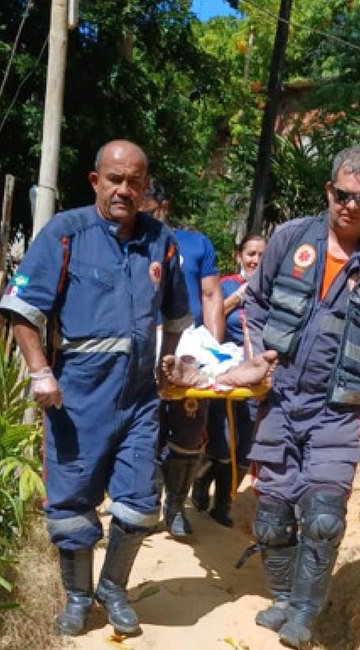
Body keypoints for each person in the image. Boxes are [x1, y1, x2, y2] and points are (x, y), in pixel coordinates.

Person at [0, 140, 191, 637]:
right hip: (78, 398)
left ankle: (113, 588)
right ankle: (79, 598)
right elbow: (21, 310)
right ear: (96, 181)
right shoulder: (66, 234)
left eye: (135, 181)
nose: (124, 189)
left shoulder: (161, 241)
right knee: (72, 505)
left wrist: (168, 359)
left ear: (146, 187)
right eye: (115, 179)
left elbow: (175, 314)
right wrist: (40, 370)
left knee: (138, 504)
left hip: (139, 399)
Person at [240, 145, 360, 649]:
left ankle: (305, 612)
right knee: (272, 515)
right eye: (343, 195)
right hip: (277, 400)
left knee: (322, 516)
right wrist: (257, 360)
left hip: (337, 412)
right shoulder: (290, 238)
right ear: (329, 192)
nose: (350, 206)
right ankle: (280, 597)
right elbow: (253, 300)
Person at [141, 178, 225, 539]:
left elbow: (211, 296)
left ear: (164, 206)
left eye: (149, 209)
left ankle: (175, 506)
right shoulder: (125, 243)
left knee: (190, 428)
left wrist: (215, 354)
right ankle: (145, 505)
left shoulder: (195, 243)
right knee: (145, 427)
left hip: (189, 348)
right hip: (144, 345)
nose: (143, 215)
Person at [193, 233, 268, 527]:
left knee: (247, 447)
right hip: (224, 376)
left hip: (258, 380)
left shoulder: (274, 289)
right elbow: (206, 320)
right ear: (239, 256)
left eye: (262, 255)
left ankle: (223, 503)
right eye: (251, 254)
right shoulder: (224, 285)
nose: (256, 260)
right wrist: (239, 297)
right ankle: (200, 481)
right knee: (224, 443)